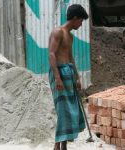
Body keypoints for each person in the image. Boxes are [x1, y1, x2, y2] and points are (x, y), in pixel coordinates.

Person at [48, 4, 89, 150]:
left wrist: (78, 77)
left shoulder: (70, 36)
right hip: (58, 73)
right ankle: (56, 145)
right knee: (62, 109)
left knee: (70, 110)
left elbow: (71, 57)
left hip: (69, 72)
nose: (81, 24)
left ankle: (62, 145)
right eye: (81, 20)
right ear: (75, 18)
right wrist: (57, 77)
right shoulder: (58, 32)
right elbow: (52, 54)